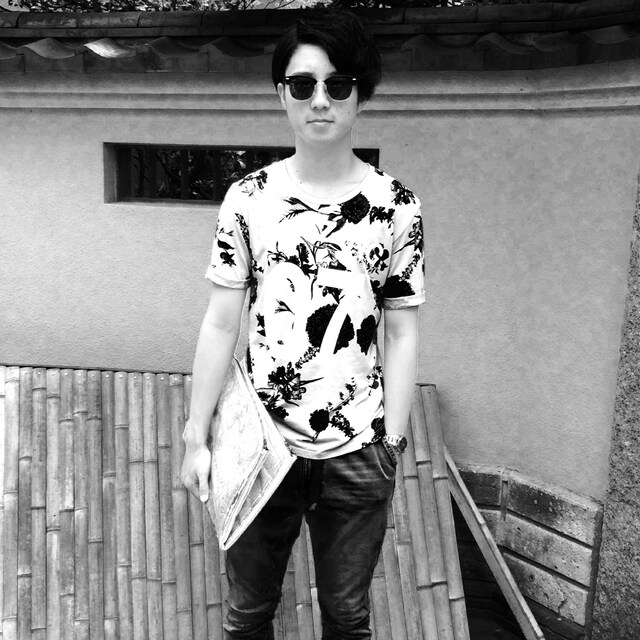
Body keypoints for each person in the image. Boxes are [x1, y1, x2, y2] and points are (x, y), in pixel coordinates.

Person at [181, 9, 425, 639]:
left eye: (338, 85)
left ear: (361, 95)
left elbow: (401, 330)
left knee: (347, 617)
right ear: (281, 93)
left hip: (359, 450)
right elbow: (220, 324)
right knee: (247, 615)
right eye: (302, 84)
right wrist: (196, 436)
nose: (320, 100)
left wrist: (392, 442)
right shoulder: (248, 199)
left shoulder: (396, 206)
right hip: (262, 445)